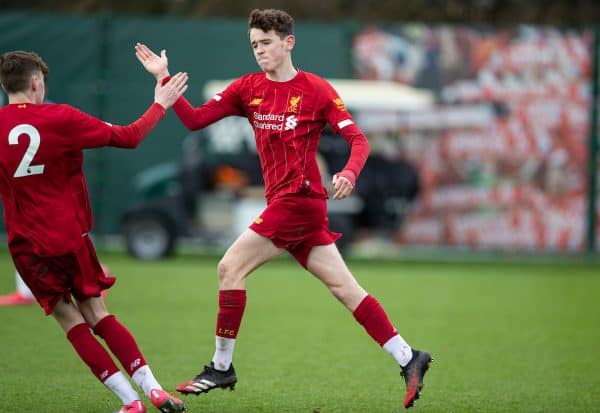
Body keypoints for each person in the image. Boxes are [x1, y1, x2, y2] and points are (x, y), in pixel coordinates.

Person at [135, 8, 432, 409]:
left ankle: (222, 366)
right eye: (254, 44)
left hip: (301, 202)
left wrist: (348, 172)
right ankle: (408, 356)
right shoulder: (248, 88)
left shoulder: (317, 90)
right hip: (286, 204)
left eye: (267, 43)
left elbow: (359, 141)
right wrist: (163, 79)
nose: (260, 51)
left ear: (288, 42)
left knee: (229, 267)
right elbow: (194, 120)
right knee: (345, 289)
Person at [0, 50, 189, 413]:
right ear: (37, 83)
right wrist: (160, 103)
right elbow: (129, 137)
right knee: (98, 314)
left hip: (26, 246)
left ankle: (129, 403)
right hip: (69, 237)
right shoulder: (61, 117)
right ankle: (154, 390)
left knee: (69, 321)